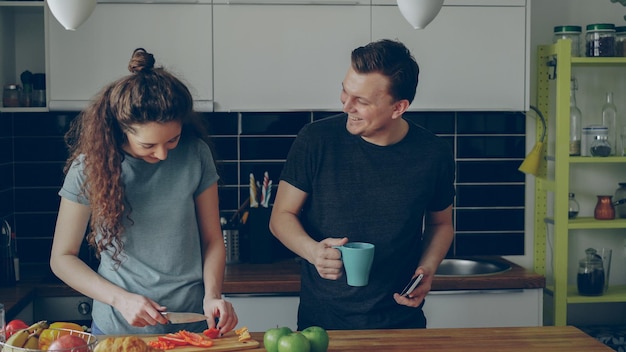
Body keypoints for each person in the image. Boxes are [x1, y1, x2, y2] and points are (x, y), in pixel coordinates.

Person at [269, 39, 455, 330]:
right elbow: (281, 217)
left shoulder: (433, 154)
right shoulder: (316, 140)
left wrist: (428, 269)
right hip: (322, 323)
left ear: (398, 107)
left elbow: (441, 225)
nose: (346, 106)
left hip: (400, 320)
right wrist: (313, 251)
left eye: (362, 101)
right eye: (345, 90)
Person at [50, 48, 238, 336]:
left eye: (172, 140)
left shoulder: (195, 154)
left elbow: (212, 239)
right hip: (116, 330)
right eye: (148, 146)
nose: (162, 154)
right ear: (122, 130)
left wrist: (213, 295)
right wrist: (120, 299)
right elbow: (62, 258)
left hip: (191, 327)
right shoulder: (88, 168)